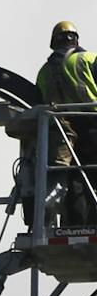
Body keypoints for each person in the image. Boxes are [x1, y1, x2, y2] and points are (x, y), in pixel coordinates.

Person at [35, 20, 97, 226]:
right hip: (92, 123)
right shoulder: (89, 59)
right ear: (76, 39)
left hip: (63, 132)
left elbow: (39, 103)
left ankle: (76, 225)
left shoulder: (44, 72)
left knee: (75, 180)